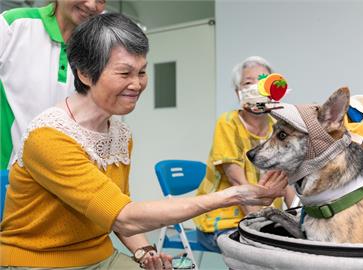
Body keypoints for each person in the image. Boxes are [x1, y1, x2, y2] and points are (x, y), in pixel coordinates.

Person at [0, 14, 288, 270]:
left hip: (100, 255)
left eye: (141, 72)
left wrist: (145, 251)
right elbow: (124, 216)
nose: (137, 84)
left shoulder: (118, 134)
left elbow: (117, 211)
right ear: (85, 74)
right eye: (125, 73)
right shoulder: (50, 135)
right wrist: (234, 195)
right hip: (39, 262)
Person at [193, 56, 296, 252]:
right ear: (238, 92)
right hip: (224, 222)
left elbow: (287, 182)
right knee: (268, 254)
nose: (256, 88)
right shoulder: (228, 123)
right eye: (248, 83)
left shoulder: (278, 128)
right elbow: (239, 184)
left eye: (262, 82)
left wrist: (295, 221)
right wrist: (261, 233)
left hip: (268, 219)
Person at [0, 0, 105, 171]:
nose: (92, 5)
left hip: (62, 179)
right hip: (8, 174)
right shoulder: (14, 25)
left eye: (101, 0)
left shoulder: (94, 51)